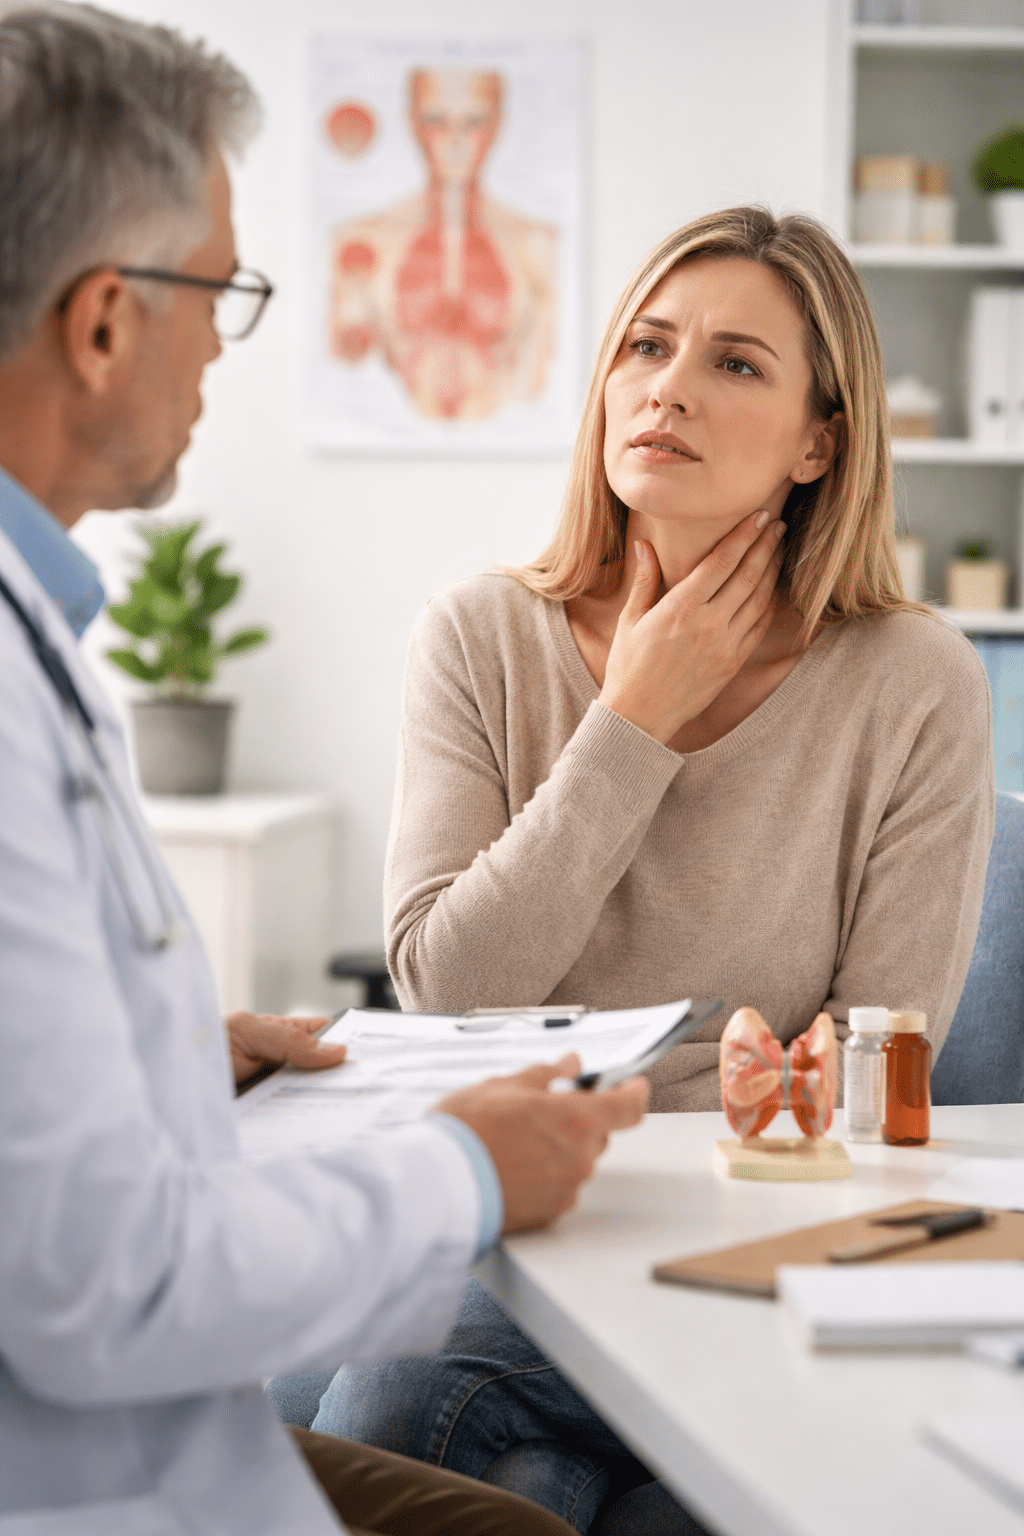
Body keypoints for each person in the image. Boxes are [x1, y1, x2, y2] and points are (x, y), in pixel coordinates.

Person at [0, 8, 647, 1534]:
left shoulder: (43, 640)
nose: (225, 353)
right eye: (217, 296)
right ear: (102, 325)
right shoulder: (483, 632)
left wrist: (160, 1061)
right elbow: (102, 1278)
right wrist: (464, 1176)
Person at [309, 208, 994, 1529]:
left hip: (748, 1224)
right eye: (647, 345)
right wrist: (631, 724)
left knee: (477, 1451)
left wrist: (750, 1096)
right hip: (517, 1213)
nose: (669, 387)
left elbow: (880, 1049)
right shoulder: (481, 637)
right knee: (425, 1424)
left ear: (819, 443)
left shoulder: (916, 682)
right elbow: (448, 988)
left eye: (736, 363)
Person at [328, 65, 557, 420]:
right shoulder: (360, 242)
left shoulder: (538, 248)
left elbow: (537, 386)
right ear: (412, 124)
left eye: (474, 122)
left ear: (498, 125)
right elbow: (344, 379)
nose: (455, 139)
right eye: (436, 120)